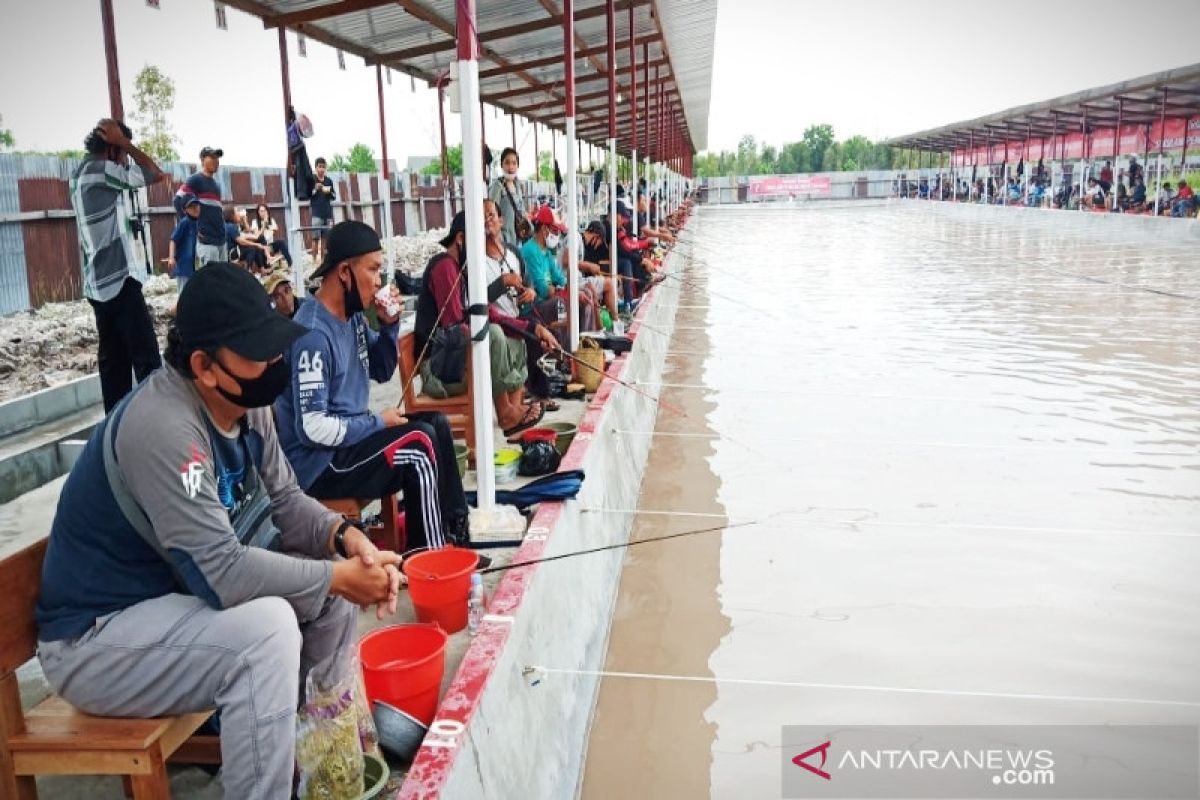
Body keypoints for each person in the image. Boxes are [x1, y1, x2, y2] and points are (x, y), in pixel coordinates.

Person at [35, 262, 401, 800]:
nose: (276, 362)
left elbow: (287, 501)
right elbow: (226, 574)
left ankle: (317, 763)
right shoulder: (163, 426)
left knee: (330, 601)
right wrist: (336, 577)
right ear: (204, 365)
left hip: (174, 607)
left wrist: (346, 539)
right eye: (260, 352)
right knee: (269, 631)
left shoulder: (245, 402)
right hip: (95, 641)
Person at [275, 221, 471, 551]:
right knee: (418, 445)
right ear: (344, 272)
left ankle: (455, 532)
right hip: (322, 463)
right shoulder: (313, 335)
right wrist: (377, 422)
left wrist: (390, 325)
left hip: (350, 442)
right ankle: (429, 560)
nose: (379, 281)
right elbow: (312, 429)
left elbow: (380, 370)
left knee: (435, 423)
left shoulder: (351, 316)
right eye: (373, 269)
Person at [416, 208, 556, 435]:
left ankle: (514, 409)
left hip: (454, 358)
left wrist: (533, 329)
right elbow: (456, 325)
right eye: (477, 243)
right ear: (461, 240)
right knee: (494, 334)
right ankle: (505, 414)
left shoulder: (460, 270)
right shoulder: (444, 267)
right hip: (439, 368)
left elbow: (486, 311)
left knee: (515, 336)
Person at [70, 118, 166, 412]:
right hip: (118, 283)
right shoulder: (100, 172)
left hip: (98, 286)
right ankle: (158, 422)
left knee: (115, 367)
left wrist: (119, 143)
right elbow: (154, 174)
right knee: (147, 359)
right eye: (121, 153)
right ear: (112, 150)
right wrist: (125, 143)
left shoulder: (80, 173)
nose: (125, 159)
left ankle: (116, 429)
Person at [175, 146, 227, 265]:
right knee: (211, 280)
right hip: (207, 241)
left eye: (217, 158)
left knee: (223, 278)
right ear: (203, 160)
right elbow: (177, 200)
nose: (216, 161)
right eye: (212, 157)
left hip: (221, 240)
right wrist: (191, 227)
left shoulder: (216, 185)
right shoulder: (195, 179)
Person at [519, 204, 568, 304]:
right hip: (535, 305)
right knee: (566, 303)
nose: (557, 236)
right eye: (554, 231)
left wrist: (570, 286)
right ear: (544, 229)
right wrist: (562, 291)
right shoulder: (530, 251)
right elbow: (543, 288)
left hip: (546, 300)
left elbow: (558, 276)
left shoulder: (546, 251)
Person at [488, 146, 527, 247]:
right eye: (507, 162)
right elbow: (490, 214)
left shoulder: (518, 185)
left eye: (514, 163)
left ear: (518, 166)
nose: (511, 167)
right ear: (501, 165)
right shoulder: (498, 186)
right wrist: (498, 237)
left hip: (519, 239)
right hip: (504, 242)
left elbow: (522, 211)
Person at [168, 195, 201, 292]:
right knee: (184, 293)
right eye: (191, 207)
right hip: (184, 267)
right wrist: (171, 257)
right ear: (185, 210)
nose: (195, 208)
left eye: (196, 205)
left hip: (196, 266)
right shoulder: (185, 222)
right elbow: (173, 240)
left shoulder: (201, 222)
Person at [224, 204, 269, 268]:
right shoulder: (231, 227)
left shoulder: (230, 225)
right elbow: (241, 241)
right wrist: (256, 244)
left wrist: (244, 220)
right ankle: (248, 272)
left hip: (232, 251)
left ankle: (263, 267)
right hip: (231, 254)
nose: (239, 214)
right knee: (251, 248)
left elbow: (250, 235)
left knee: (257, 241)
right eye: (237, 212)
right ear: (232, 215)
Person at [252, 202, 293, 268]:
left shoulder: (271, 220)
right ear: (258, 212)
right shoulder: (254, 222)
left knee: (281, 242)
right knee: (261, 239)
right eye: (261, 211)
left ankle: (290, 264)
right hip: (261, 247)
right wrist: (263, 226)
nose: (263, 213)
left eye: (264, 211)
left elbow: (275, 229)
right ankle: (265, 266)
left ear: (267, 211)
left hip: (270, 245)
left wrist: (267, 224)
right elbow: (257, 236)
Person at [310, 157, 336, 260]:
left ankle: (323, 261)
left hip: (328, 213)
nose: (322, 169)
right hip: (316, 213)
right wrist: (315, 189)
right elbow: (308, 194)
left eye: (323, 167)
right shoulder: (312, 179)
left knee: (325, 238)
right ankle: (313, 260)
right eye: (320, 167)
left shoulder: (329, 180)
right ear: (316, 168)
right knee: (315, 238)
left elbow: (334, 196)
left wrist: (328, 192)